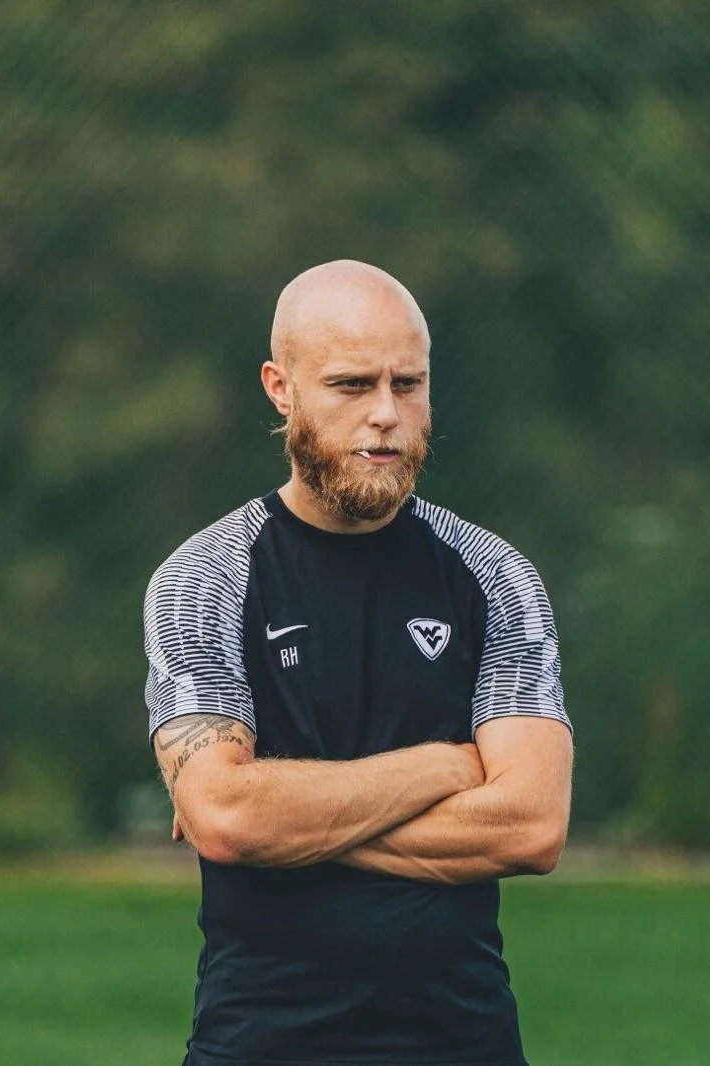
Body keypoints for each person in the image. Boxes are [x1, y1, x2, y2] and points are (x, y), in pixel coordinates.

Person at [144, 259, 573, 1066]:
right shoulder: (206, 578)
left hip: (463, 1041)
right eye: (351, 385)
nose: (385, 415)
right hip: (260, 1041)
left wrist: (286, 822)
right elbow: (228, 820)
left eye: (408, 385)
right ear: (281, 389)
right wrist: (450, 766)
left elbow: (532, 827)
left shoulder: (494, 575)